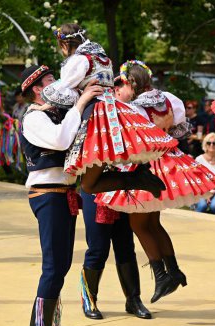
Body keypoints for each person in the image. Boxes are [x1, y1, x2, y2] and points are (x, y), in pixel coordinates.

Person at [95, 62, 215, 303]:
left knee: (139, 224)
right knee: (153, 222)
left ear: (130, 83)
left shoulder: (134, 107)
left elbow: (134, 140)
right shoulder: (168, 98)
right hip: (169, 161)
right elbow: (178, 130)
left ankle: (162, 275)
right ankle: (173, 270)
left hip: (146, 164)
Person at [31, 23, 177, 197]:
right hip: (112, 110)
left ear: (65, 44)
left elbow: (64, 88)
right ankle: (138, 178)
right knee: (89, 183)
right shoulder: (102, 57)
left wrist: (43, 107)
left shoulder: (79, 60)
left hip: (96, 114)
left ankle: (137, 179)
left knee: (89, 185)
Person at [20, 64, 103, 326]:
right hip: (48, 195)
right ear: (38, 89)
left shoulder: (54, 115)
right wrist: (80, 103)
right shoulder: (33, 118)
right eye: (51, 80)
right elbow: (60, 140)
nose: (57, 83)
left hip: (63, 194)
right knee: (53, 267)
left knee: (62, 266)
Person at [80, 77, 152, 320]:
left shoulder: (130, 114)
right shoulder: (91, 115)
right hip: (97, 188)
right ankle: (89, 300)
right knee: (98, 248)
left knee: (125, 246)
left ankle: (134, 299)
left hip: (123, 186)